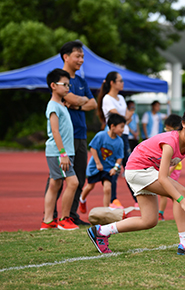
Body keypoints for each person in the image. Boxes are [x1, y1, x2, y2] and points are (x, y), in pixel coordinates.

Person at [87, 104, 185, 255]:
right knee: (180, 191)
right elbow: (163, 178)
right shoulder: (171, 141)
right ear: (184, 123)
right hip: (138, 170)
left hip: (143, 171)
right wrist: (182, 201)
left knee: (149, 221)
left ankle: (101, 231)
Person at [45, 41, 97, 226]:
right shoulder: (60, 79)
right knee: (58, 178)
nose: (81, 59)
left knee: (79, 177)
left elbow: (93, 104)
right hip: (65, 137)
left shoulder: (81, 81)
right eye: (78, 56)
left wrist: (77, 103)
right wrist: (80, 101)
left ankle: (71, 215)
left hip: (80, 134)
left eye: (82, 56)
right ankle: (51, 216)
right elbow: (72, 98)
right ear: (66, 57)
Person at [40, 69, 79, 231]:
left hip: (64, 152)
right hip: (59, 153)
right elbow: (55, 131)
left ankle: (48, 221)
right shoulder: (53, 106)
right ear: (53, 86)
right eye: (64, 85)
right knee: (73, 182)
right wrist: (63, 154)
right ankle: (64, 219)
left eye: (69, 85)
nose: (68, 88)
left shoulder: (60, 105)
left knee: (55, 184)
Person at [97, 71, 134, 209]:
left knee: (130, 166)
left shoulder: (121, 98)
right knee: (114, 168)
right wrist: (127, 117)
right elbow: (120, 118)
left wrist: (126, 118)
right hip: (113, 137)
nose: (122, 83)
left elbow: (124, 121)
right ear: (112, 83)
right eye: (120, 80)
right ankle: (113, 199)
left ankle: (136, 198)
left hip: (123, 135)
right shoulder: (107, 99)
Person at [79, 114, 125, 213]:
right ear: (112, 126)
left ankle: (106, 210)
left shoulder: (120, 141)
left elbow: (119, 157)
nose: (123, 130)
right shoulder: (101, 135)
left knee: (107, 188)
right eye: (121, 127)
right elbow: (93, 148)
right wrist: (97, 163)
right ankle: (82, 199)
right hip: (96, 167)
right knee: (90, 186)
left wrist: (115, 168)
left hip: (108, 169)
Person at [158, 114, 183, 221]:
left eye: (169, 128)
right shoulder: (168, 138)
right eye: (166, 128)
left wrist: (169, 171)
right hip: (167, 168)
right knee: (170, 193)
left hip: (173, 169)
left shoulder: (177, 140)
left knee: (170, 193)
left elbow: (177, 159)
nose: (166, 130)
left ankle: (161, 214)